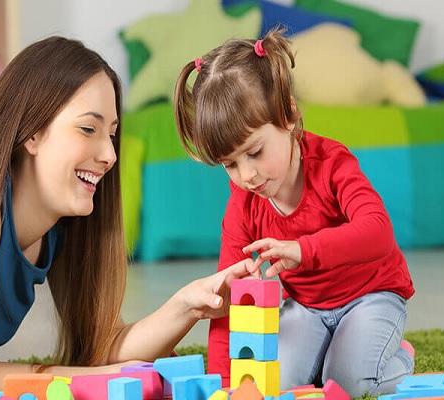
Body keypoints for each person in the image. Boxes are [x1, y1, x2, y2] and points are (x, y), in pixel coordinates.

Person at [0, 36, 259, 400]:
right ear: (32, 133)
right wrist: (99, 380)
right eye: (89, 128)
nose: (109, 154)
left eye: (112, 134)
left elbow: (100, 346)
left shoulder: (63, 225)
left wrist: (187, 305)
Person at [173, 28, 415, 397]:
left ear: (288, 113)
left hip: (371, 295)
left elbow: (378, 231)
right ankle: (328, 357)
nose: (247, 175)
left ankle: (395, 357)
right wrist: (224, 384)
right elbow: (226, 297)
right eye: (230, 164)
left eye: (254, 152)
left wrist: (304, 250)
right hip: (305, 307)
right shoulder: (242, 200)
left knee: (350, 383)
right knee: (272, 382)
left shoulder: (332, 164)